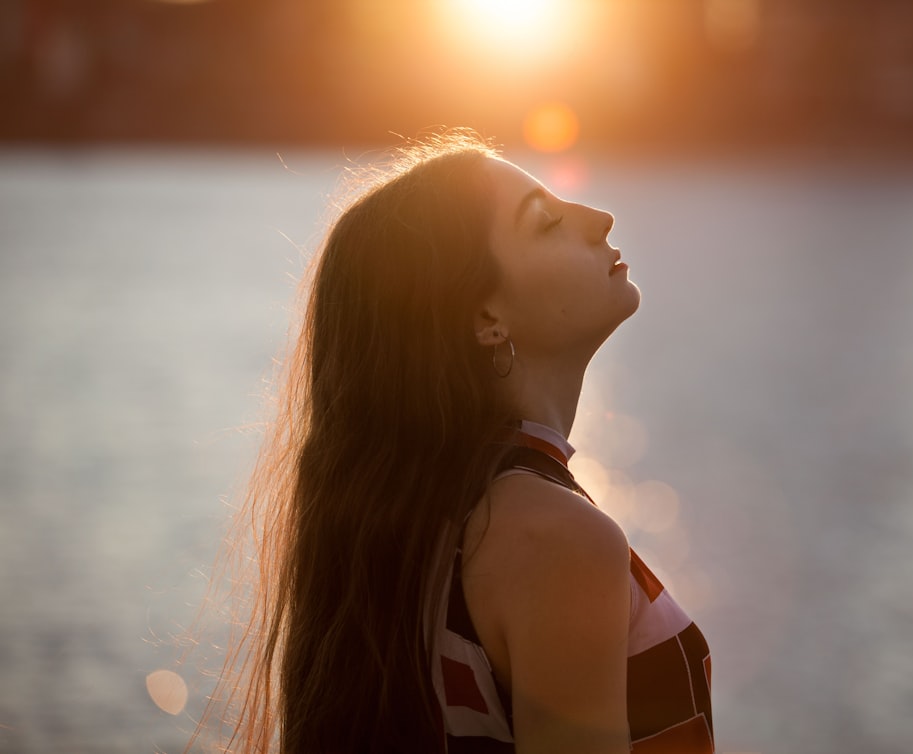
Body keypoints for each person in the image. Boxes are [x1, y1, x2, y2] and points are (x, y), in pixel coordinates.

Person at [195, 131, 713, 754]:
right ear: (485, 318)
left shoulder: (416, 527)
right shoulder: (554, 538)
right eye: (546, 224)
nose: (600, 219)